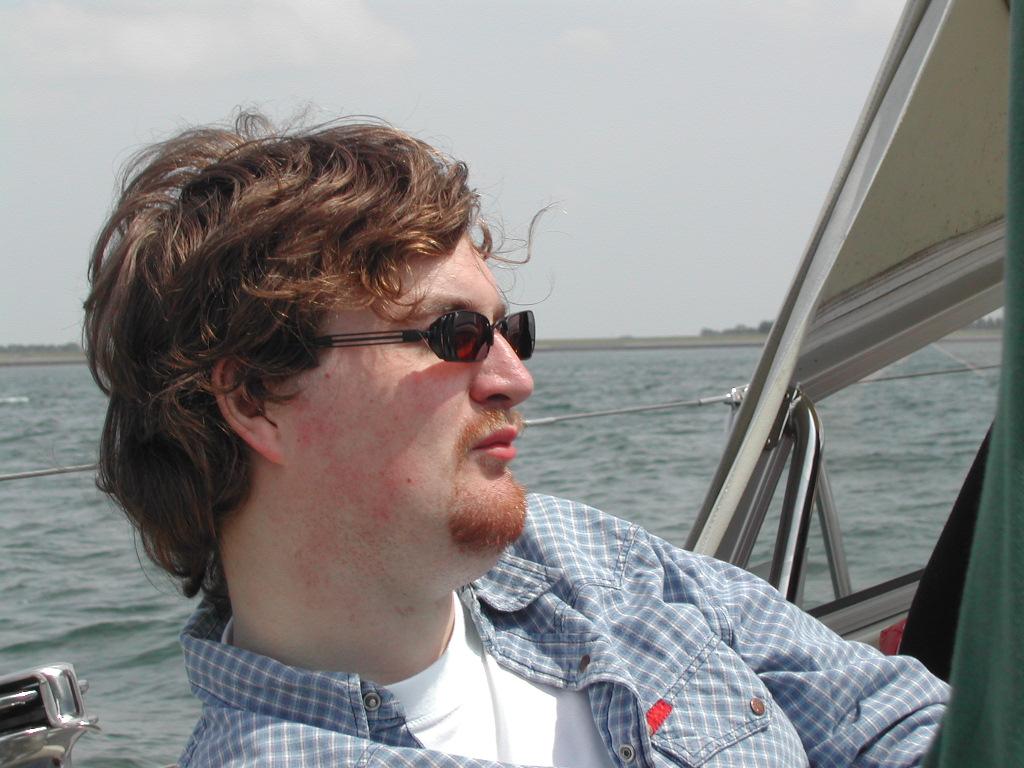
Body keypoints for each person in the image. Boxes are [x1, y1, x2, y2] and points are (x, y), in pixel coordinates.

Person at [84, 113, 948, 768]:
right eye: (453, 335)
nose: (514, 378)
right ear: (256, 398)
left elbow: (898, 726)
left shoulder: (582, 561)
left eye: (513, 333)